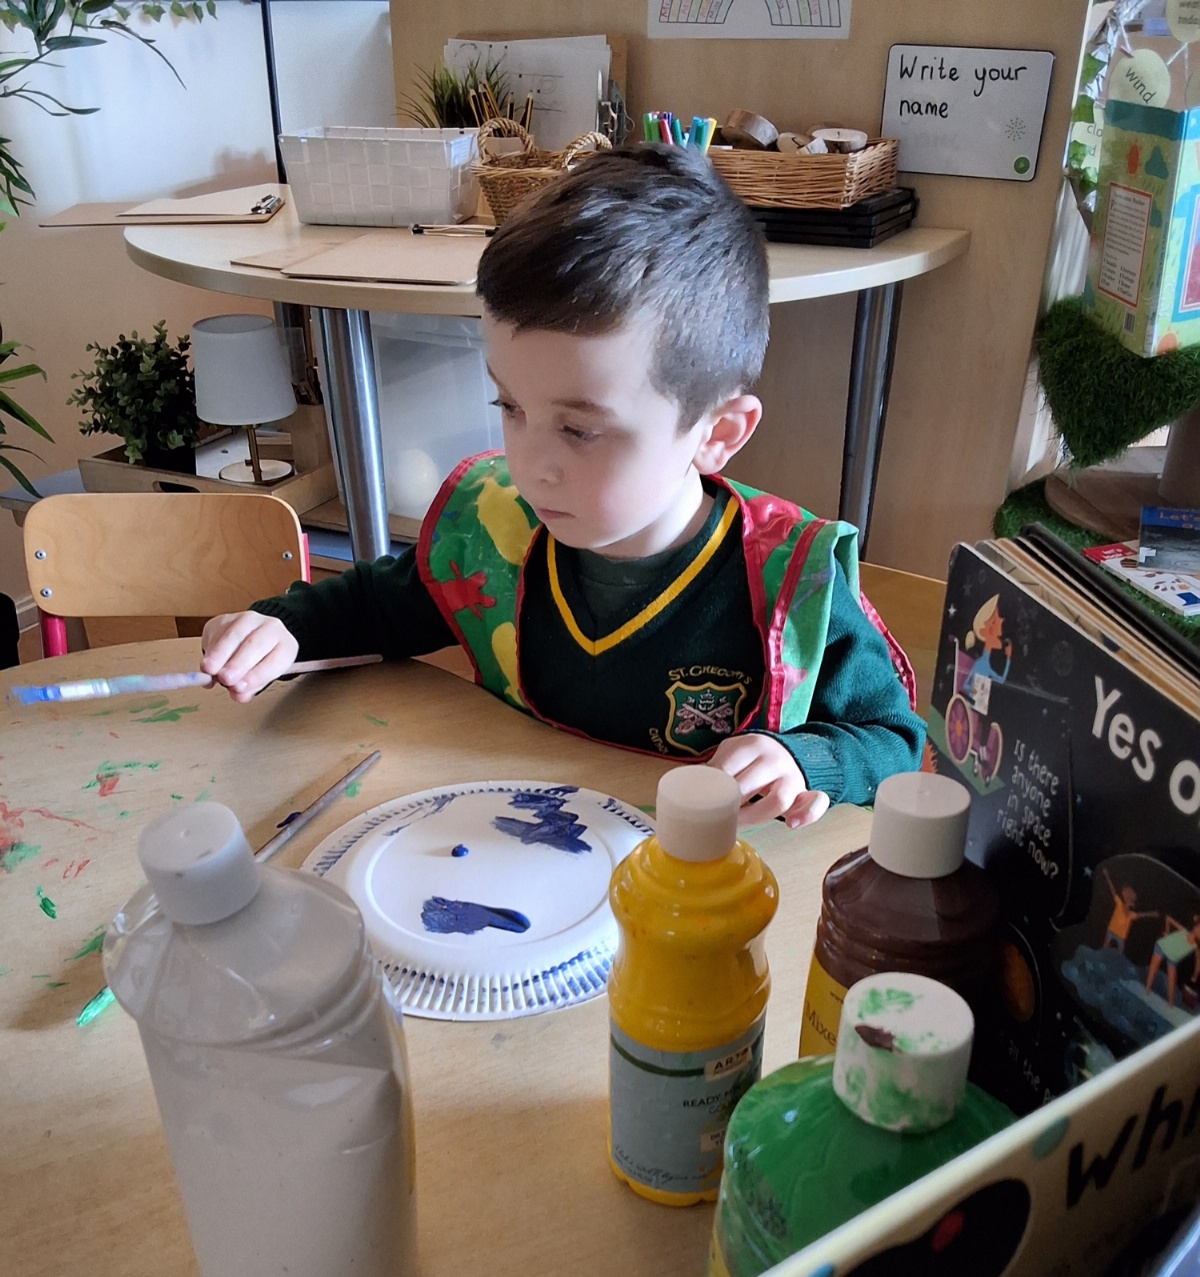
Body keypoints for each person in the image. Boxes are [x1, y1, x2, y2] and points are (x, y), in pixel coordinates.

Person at [200, 146, 924, 827]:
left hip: (693, 883)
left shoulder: (794, 585)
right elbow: (373, 609)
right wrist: (282, 628)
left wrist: (805, 760)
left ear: (717, 434)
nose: (531, 464)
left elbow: (895, 741)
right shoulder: (494, 533)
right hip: (522, 855)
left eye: (579, 430)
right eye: (510, 406)